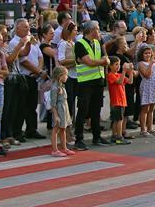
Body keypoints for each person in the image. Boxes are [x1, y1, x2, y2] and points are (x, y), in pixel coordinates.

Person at [74, 20, 110, 150]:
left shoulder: (97, 42)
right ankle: (79, 139)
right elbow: (89, 62)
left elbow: (106, 58)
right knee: (83, 111)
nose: (99, 31)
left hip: (98, 80)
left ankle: (97, 136)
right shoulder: (80, 44)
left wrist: (101, 61)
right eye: (97, 29)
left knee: (96, 110)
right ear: (91, 30)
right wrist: (102, 61)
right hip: (85, 82)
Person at [106, 57, 132, 145]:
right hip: (116, 101)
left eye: (119, 64)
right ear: (110, 66)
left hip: (122, 101)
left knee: (116, 120)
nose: (118, 66)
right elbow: (120, 82)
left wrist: (131, 71)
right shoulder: (111, 75)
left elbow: (130, 81)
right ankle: (119, 137)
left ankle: (114, 136)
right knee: (119, 120)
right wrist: (124, 71)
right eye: (116, 64)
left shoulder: (119, 74)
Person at [137, 45, 155, 137]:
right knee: (145, 109)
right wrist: (151, 63)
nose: (148, 55)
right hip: (147, 86)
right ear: (142, 54)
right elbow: (147, 75)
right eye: (146, 53)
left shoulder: (153, 63)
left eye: (149, 53)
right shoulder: (141, 64)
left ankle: (150, 128)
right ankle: (143, 130)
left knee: (152, 109)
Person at [49, 66, 75, 155]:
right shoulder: (54, 88)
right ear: (60, 76)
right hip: (59, 110)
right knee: (56, 129)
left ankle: (65, 148)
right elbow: (53, 104)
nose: (67, 77)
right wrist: (56, 116)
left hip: (64, 109)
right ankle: (55, 150)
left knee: (63, 129)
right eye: (66, 75)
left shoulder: (61, 86)